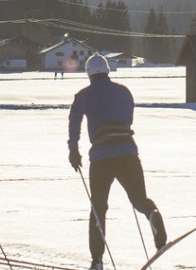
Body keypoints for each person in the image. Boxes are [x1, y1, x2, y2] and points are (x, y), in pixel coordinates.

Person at [69, 53, 165, 270]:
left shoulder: (83, 95)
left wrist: (73, 150)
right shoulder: (124, 92)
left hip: (102, 158)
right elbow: (127, 118)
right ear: (107, 71)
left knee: (98, 208)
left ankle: (97, 261)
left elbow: (74, 121)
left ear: (89, 74)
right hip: (128, 154)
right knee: (139, 199)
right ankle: (153, 216)